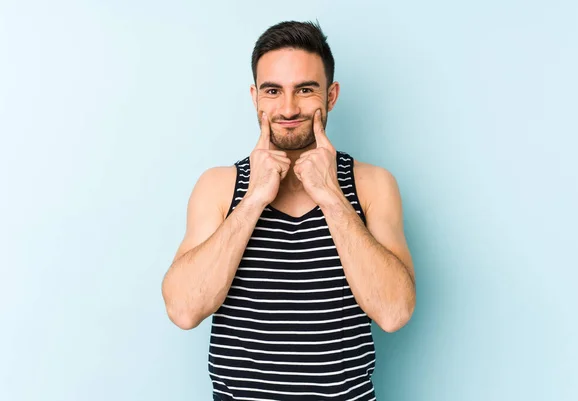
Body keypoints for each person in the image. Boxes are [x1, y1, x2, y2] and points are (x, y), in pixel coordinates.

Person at [161, 20, 416, 401]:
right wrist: (253, 200)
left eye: (305, 89)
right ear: (254, 97)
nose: (288, 108)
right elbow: (184, 310)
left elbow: (394, 313)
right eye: (273, 91)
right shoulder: (219, 186)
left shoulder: (371, 185)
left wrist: (331, 196)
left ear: (331, 96)